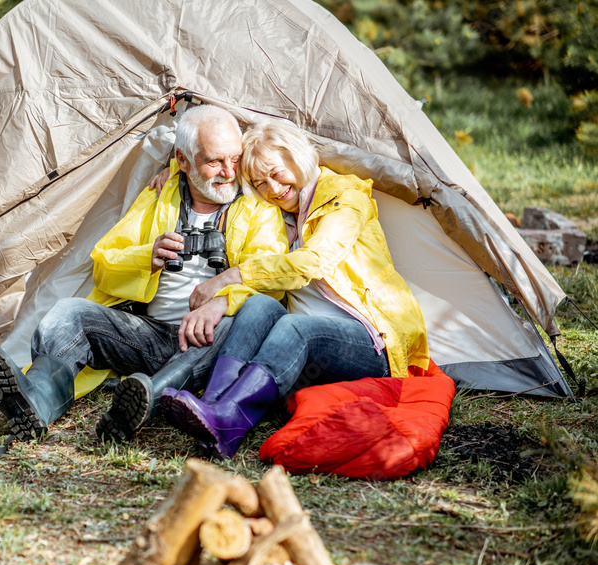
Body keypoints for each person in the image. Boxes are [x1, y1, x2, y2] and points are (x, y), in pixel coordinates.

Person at [0, 105, 287, 442]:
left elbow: (271, 278)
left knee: (232, 323)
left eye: (235, 158)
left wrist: (221, 303)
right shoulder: (159, 197)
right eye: (214, 161)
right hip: (149, 334)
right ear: (182, 160)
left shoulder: (259, 208)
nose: (229, 171)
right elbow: (103, 268)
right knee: (69, 311)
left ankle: (148, 399)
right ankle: (38, 399)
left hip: (213, 345)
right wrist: (147, 257)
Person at [161, 118, 430, 459]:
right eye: (260, 182)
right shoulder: (282, 213)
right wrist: (172, 173)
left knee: (295, 326)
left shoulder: (345, 199)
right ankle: (211, 408)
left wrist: (231, 276)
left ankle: (232, 420)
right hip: (309, 350)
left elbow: (312, 262)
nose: (273, 188)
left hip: (374, 343)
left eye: (276, 173)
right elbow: (212, 176)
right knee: (258, 305)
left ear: (297, 157)